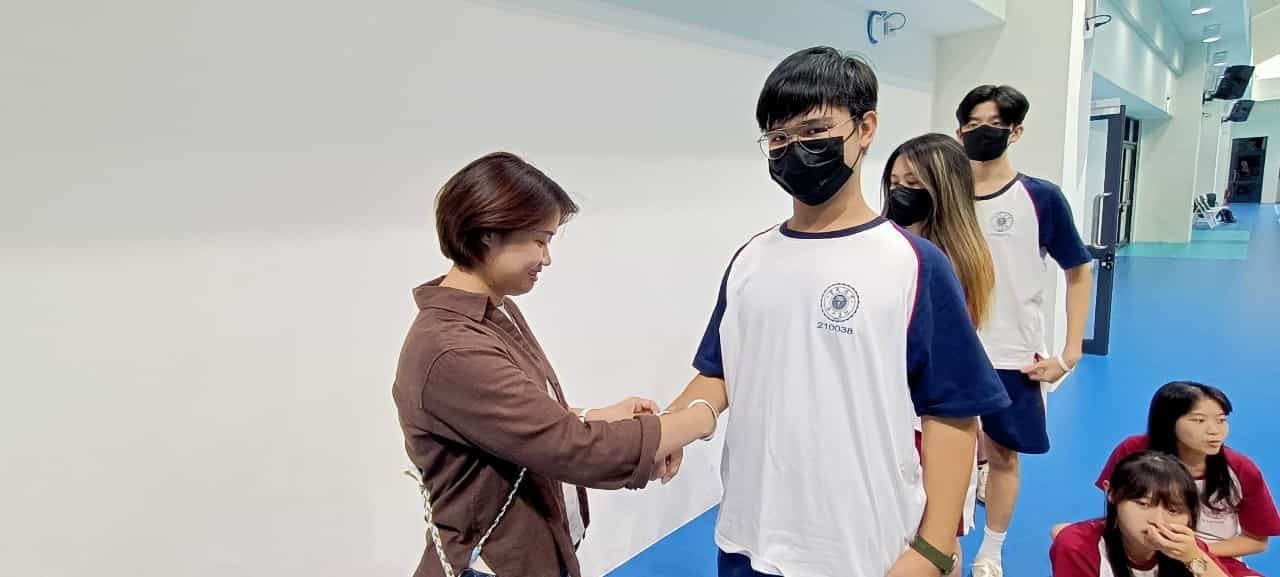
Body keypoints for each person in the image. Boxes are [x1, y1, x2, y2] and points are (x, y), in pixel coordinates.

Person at [660, 46, 1010, 577]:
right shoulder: (751, 258)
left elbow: (953, 415)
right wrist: (669, 427)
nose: (795, 149)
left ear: (865, 129)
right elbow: (721, 371)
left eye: (815, 130)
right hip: (748, 539)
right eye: (779, 138)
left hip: (863, 550)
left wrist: (933, 548)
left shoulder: (915, 265)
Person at [391, 152, 715, 577]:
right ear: (489, 234)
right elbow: (574, 449)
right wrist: (702, 415)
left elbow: (514, 422)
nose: (546, 259)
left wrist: (595, 415)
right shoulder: (452, 349)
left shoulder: (493, 312)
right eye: (540, 241)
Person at [956, 84, 1095, 577]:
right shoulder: (945, 196)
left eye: (993, 125)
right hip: (951, 351)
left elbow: (1078, 270)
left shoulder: (1040, 198)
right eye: (972, 125)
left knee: (1003, 456)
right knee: (944, 451)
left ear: (1015, 131)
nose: (981, 133)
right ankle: (945, 537)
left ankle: (991, 549)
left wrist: (1070, 352)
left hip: (1011, 354)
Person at [883, 132, 998, 574]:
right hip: (891, 416)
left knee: (938, 533)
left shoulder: (947, 263)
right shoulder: (887, 249)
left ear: (943, 189)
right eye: (894, 182)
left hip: (928, 420)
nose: (900, 192)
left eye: (913, 183)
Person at [1092, 382, 1280, 577]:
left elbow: (1257, 541)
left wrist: (1189, 550)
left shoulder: (1241, 470)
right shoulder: (1134, 451)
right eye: (1199, 420)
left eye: (1221, 420)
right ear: (1169, 422)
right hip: (1135, 549)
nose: (1214, 431)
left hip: (1208, 557)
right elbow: (1118, 507)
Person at [1052, 451, 1235, 577]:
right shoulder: (1077, 546)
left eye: (1173, 510)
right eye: (1143, 504)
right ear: (1111, 493)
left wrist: (1192, 557)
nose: (1158, 521)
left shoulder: (1187, 547)